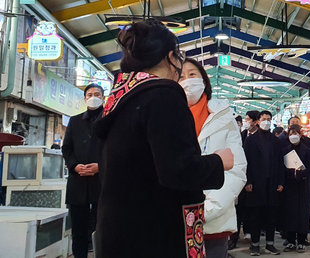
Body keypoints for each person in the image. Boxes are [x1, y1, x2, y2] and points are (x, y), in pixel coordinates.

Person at [93, 19, 234, 258]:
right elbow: (178, 170)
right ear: (171, 57)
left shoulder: (120, 101)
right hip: (156, 236)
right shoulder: (163, 96)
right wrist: (219, 161)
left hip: (120, 233)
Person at [179, 57, 248, 258]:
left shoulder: (224, 117)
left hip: (214, 220)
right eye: (181, 76)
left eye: (192, 75)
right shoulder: (165, 116)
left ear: (204, 80)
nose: (187, 81)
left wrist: (207, 210)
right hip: (173, 219)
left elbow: (237, 167)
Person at [62, 83, 105, 258]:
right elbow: (67, 149)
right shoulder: (75, 121)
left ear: (103, 97)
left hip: (101, 182)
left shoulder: (110, 119)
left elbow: (116, 149)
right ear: (85, 98)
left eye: (97, 94)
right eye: (89, 94)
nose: (93, 96)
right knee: (78, 230)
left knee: (101, 228)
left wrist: (100, 166)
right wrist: (74, 166)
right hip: (77, 182)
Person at [243, 110, 284, 256]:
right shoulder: (250, 140)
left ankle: (270, 244)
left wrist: (280, 182)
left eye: (268, 119)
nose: (266, 121)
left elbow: (280, 163)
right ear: (258, 121)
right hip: (255, 184)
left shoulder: (275, 141)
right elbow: (246, 162)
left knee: (271, 215)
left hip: (272, 183)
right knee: (255, 215)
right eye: (264, 119)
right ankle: (254, 245)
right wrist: (248, 181)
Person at [280, 125, 310, 253]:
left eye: (296, 133)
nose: (293, 136)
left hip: (303, 186)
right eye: (291, 133)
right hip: (290, 187)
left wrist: (300, 174)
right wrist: (291, 174)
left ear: (300, 135)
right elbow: (282, 168)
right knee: (290, 213)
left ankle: (301, 241)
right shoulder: (285, 150)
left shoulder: (308, 151)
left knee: (302, 213)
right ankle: (290, 240)